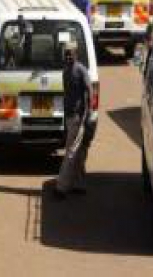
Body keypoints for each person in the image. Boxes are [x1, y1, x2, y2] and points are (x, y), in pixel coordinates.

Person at [54, 43, 94, 199]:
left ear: (76, 54)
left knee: (71, 152)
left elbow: (90, 91)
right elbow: (66, 95)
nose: (68, 57)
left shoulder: (80, 70)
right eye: (66, 54)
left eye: (70, 54)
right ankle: (78, 184)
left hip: (78, 117)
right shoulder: (66, 72)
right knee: (78, 151)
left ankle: (61, 187)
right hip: (70, 117)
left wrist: (88, 113)